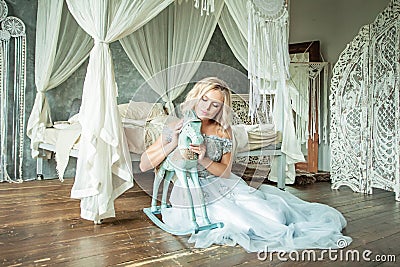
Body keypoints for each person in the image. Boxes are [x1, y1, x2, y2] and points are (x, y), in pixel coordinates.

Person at [140, 77, 352, 253]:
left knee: (275, 217)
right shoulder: (175, 124)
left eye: (215, 105)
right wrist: (172, 143)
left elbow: (224, 173)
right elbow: (143, 165)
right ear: (196, 97)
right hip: (192, 189)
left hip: (224, 185)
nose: (207, 108)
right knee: (245, 225)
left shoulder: (224, 130)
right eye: (204, 100)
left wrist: (204, 158)